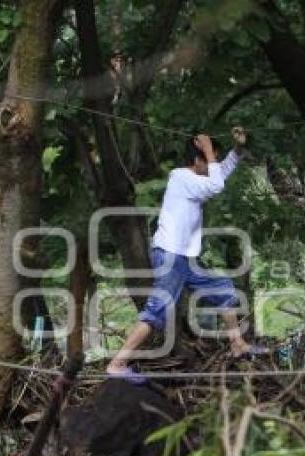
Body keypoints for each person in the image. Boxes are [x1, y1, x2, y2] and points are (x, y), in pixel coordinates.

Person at [106, 127, 266, 380]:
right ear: (197, 160)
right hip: (170, 256)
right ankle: (117, 364)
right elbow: (217, 184)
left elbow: (219, 174)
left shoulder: (195, 180)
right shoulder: (181, 177)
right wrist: (208, 150)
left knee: (223, 288)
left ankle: (237, 344)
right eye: (209, 158)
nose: (213, 162)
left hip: (182, 257)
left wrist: (237, 149)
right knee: (157, 309)